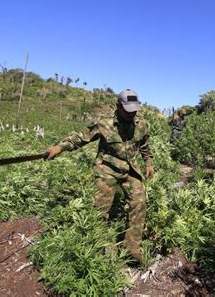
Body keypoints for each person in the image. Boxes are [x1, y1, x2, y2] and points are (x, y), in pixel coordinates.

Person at [45, 89, 154, 264]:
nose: (132, 113)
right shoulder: (104, 124)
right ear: (118, 106)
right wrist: (59, 148)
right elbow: (81, 137)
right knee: (100, 209)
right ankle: (101, 245)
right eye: (128, 109)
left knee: (139, 202)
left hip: (131, 169)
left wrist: (148, 163)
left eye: (134, 109)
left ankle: (131, 248)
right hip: (107, 168)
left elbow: (145, 146)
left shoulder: (141, 125)